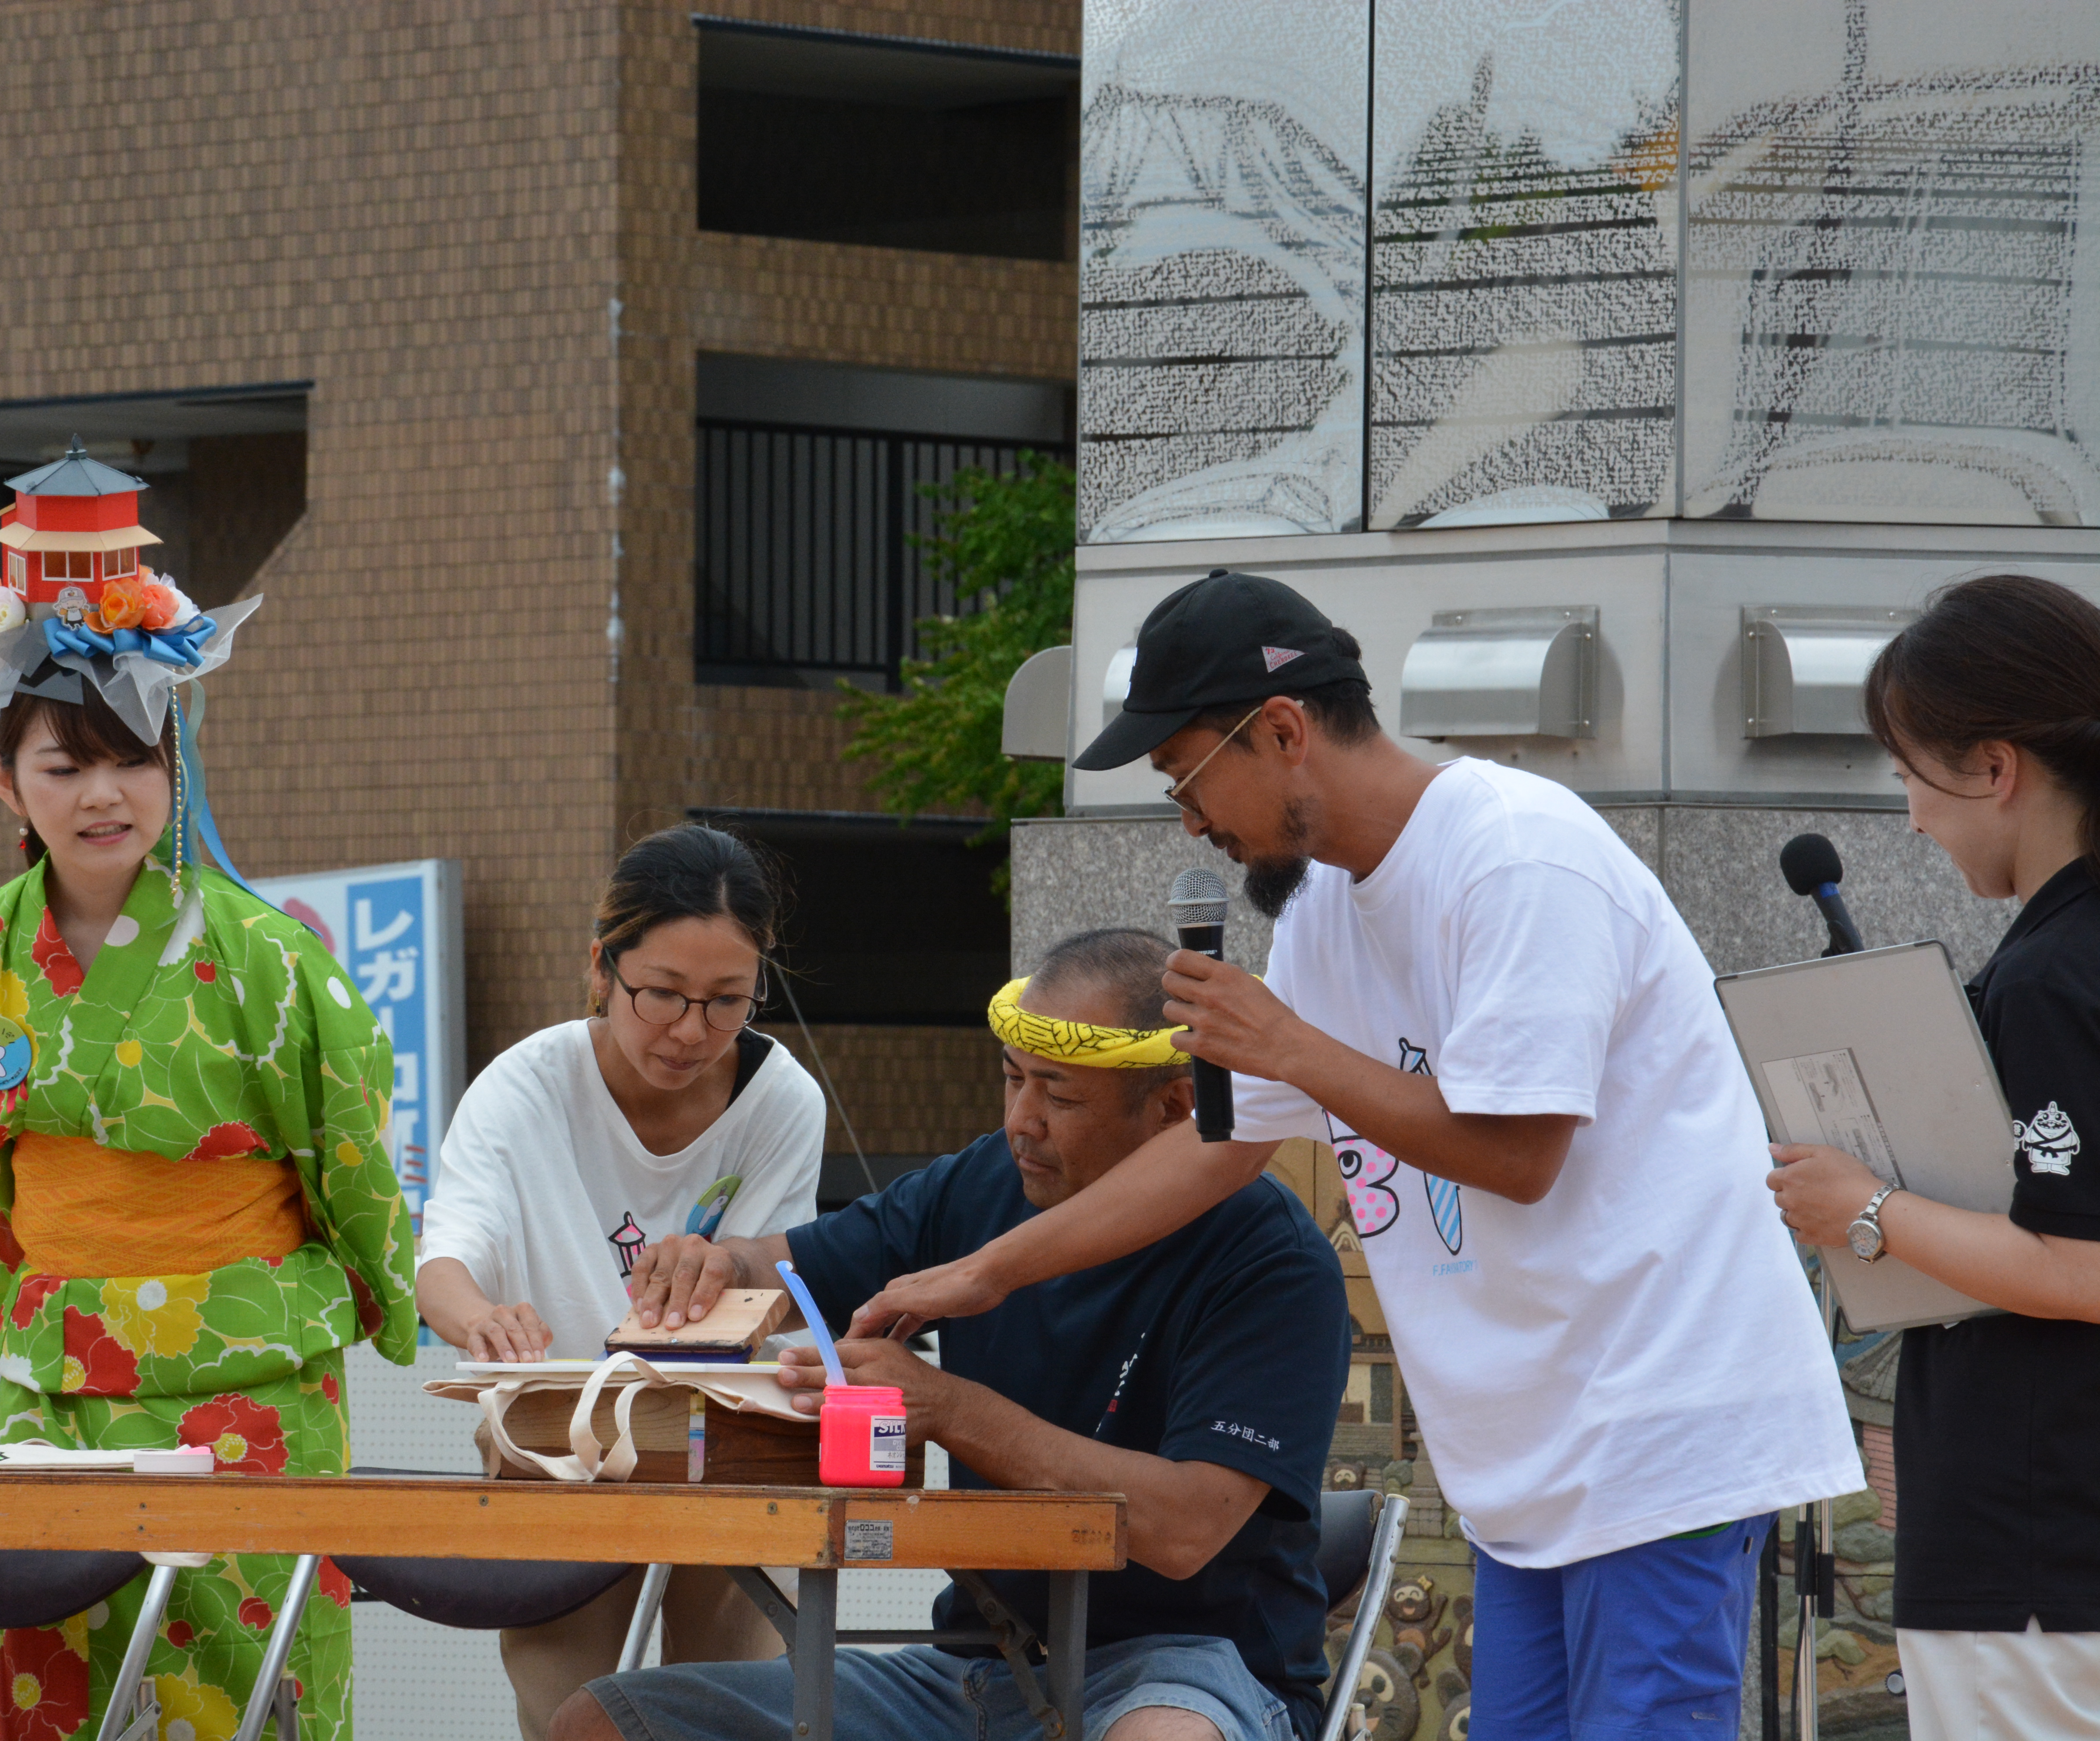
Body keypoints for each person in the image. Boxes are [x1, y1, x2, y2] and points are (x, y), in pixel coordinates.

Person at [842, 571, 1863, 1739]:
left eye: (1187, 775)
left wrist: (1292, 1046)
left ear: (1282, 731)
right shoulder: (1329, 906)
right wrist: (990, 1272)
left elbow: (1520, 1153)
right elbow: (1222, 1149)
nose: (1191, 821)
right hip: (1531, 1459)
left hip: (1657, 1424)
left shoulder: (1517, 858)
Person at [0, 447, 415, 1741]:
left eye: (132, 759)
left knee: (251, 1686)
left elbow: (348, 1155)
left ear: (176, 764)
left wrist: (374, 1291)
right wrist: (44, 1301)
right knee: (52, 1685)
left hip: (251, 1370)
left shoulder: (274, 960)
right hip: (59, 1377)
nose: (102, 794)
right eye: (62, 765)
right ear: (5, 782)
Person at [580, 928, 1350, 1741]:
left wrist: (950, 1409)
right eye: (1013, 1080)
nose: (1021, 1123)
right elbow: (795, 1267)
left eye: (1060, 1097)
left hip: (1188, 1670)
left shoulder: (1272, 1261)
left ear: (1173, 1108)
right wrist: (719, 1264)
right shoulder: (985, 1181)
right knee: (605, 1723)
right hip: (977, 1668)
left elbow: (1186, 1529)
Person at [1767, 574, 2100, 1738]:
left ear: (1996, 767)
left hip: (2038, 1556)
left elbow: (2080, 1265)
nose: (1912, 816)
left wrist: (1866, 1207)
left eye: (1911, 774)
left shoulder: (2055, 977)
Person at [418, 823, 827, 1741]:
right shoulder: (527, 1085)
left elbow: (773, 1289)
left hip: (723, 1435)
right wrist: (479, 1318)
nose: (691, 1031)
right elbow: (445, 1257)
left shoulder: (782, 1098)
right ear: (602, 967)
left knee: (736, 1705)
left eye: (728, 1001)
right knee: (571, 1711)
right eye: (664, 993)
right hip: (556, 1434)